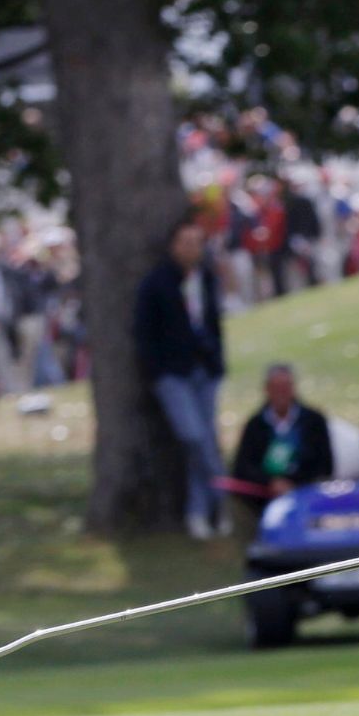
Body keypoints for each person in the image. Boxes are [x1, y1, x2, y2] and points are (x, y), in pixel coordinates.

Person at [134, 213, 228, 540]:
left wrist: (216, 360)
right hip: (174, 374)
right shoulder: (157, 283)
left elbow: (213, 323)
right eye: (185, 242)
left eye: (197, 242)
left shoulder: (206, 277)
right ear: (173, 246)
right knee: (194, 437)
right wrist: (158, 369)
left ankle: (200, 513)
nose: (192, 248)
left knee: (203, 440)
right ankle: (225, 493)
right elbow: (145, 334)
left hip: (205, 371)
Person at [230, 363, 334, 510]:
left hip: (306, 493)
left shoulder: (314, 421)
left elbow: (325, 465)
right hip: (264, 497)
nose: (281, 393)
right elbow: (243, 468)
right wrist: (271, 483)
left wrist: (294, 484)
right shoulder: (256, 424)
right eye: (276, 388)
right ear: (267, 390)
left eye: (285, 387)